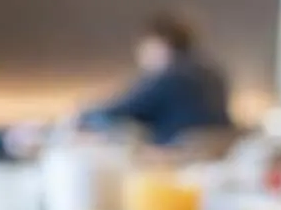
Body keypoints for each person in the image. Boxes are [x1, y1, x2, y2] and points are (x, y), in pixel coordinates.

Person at [79, 12, 234, 147]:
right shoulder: (213, 72)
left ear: (160, 43)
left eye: (144, 47)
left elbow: (120, 110)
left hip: (174, 159)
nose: (141, 55)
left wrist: (82, 116)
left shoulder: (169, 76)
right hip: (217, 154)